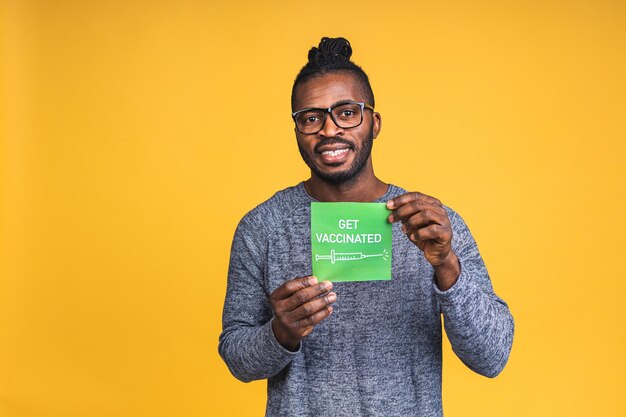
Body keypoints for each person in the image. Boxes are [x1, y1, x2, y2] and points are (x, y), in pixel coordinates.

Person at [218, 36, 514, 417]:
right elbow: (237, 358)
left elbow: (492, 356)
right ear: (296, 131)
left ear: (373, 123)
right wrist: (281, 332)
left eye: (346, 112)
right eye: (311, 118)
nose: (329, 130)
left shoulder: (432, 226)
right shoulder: (263, 227)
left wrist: (447, 266)